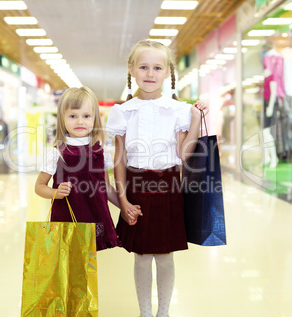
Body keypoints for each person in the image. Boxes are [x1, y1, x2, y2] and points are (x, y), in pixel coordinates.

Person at [106, 40, 208, 317]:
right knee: (141, 256)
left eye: (157, 67)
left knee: (164, 256)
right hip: (136, 187)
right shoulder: (122, 112)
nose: (150, 73)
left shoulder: (178, 110)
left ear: (167, 72)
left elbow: (184, 154)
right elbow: (120, 159)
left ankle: (163, 312)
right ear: (132, 70)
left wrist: (196, 119)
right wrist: (123, 199)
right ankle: (145, 312)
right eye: (143, 67)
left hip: (168, 186)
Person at [35, 86, 122, 251]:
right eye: (73, 116)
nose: (80, 121)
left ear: (95, 119)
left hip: (95, 218)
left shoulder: (100, 151)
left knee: (88, 268)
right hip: (67, 219)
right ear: (62, 119)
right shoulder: (57, 153)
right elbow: (39, 187)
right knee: (69, 267)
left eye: (86, 116)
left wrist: (125, 207)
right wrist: (55, 193)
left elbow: (106, 188)